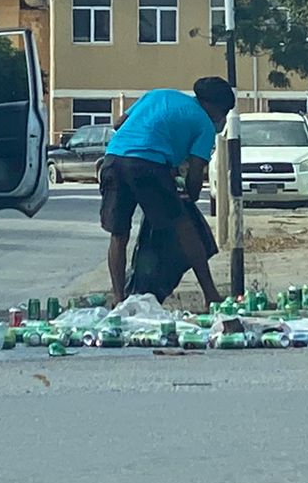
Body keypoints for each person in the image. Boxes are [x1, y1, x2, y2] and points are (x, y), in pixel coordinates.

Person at [99, 77, 235, 309]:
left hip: (113, 160)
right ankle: (210, 294)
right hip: (147, 167)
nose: (221, 119)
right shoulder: (203, 123)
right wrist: (189, 196)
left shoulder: (158, 94)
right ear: (214, 105)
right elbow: (195, 173)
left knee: (119, 234)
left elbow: (119, 124)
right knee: (184, 228)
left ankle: (119, 300)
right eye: (223, 112)